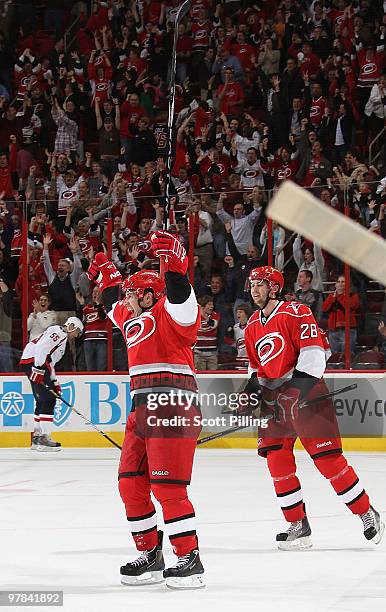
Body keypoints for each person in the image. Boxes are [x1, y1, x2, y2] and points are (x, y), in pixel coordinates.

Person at [87, 232, 205, 589]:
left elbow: (181, 293)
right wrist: (105, 269)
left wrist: (173, 260)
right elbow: (111, 302)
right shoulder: (132, 317)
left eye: (133, 293)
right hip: (141, 408)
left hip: (173, 404)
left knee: (167, 486)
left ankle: (190, 558)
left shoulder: (172, 315)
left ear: (150, 294)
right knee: (130, 484)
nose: (127, 299)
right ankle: (151, 554)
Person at [244, 266, 384, 550]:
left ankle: (366, 512)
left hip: (307, 395)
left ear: (274, 287)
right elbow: (255, 368)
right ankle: (298, 524)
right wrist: (251, 396)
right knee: (277, 461)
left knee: (328, 461)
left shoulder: (297, 313)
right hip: (275, 401)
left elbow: (314, 356)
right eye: (252, 285)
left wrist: (294, 393)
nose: (253, 290)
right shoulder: (251, 326)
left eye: (259, 284)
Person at [19, 317, 84, 451]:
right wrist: (37, 368)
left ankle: (37, 438)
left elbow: (51, 362)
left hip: (34, 363)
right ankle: (43, 438)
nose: (76, 335)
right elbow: (42, 347)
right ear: (72, 326)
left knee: (42, 400)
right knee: (49, 400)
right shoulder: (59, 332)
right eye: (77, 332)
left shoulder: (62, 339)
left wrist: (54, 381)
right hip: (35, 362)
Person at [322, 275, 360, 354]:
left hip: (348, 330)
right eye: (338, 282)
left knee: (347, 355)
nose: (340, 284)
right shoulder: (332, 296)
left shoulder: (353, 296)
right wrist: (333, 297)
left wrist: (342, 295)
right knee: (335, 356)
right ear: (335, 284)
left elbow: (349, 306)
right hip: (333, 330)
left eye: (343, 282)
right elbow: (324, 308)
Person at [194, 295, 220, 371]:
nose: (211, 306)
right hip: (198, 353)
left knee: (213, 376)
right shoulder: (195, 316)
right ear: (202, 306)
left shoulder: (215, 315)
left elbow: (212, 326)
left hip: (212, 353)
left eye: (212, 304)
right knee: (200, 378)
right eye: (209, 304)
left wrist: (203, 315)